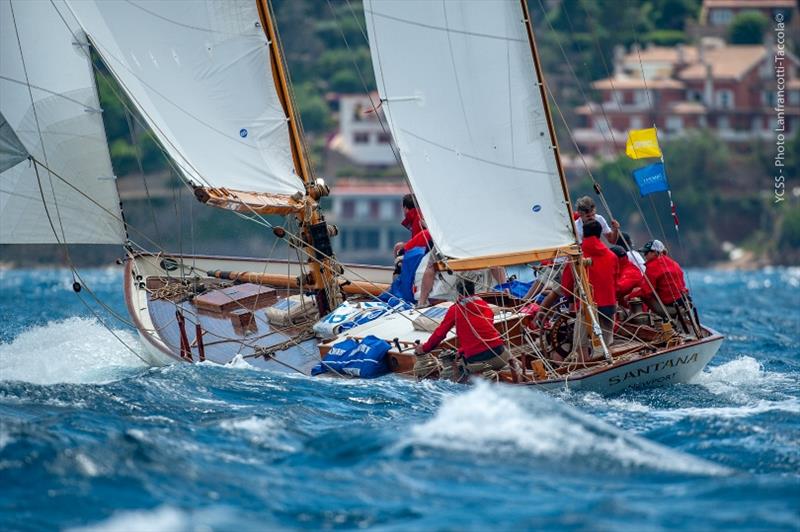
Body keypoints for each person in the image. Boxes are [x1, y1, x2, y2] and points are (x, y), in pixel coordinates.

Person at [537, 220, 618, 362]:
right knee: (607, 341)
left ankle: (586, 368)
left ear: (583, 233)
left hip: (587, 307)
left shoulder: (575, 256)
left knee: (580, 345)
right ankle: (608, 365)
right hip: (609, 305)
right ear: (600, 234)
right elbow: (615, 278)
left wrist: (570, 300)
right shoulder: (612, 256)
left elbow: (566, 284)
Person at [414, 275, 510, 380]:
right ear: (474, 290)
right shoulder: (485, 306)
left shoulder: (455, 310)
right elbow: (482, 335)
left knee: (454, 373)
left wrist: (424, 349)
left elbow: (440, 334)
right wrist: (461, 351)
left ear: (458, 292)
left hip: (477, 361)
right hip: (500, 355)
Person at [636, 240, 697, 333]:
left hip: (670, 309)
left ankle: (656, 321)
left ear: (655, 253)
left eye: (646, 252)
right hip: (684, 304)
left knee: (644, 295)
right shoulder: (674, 263)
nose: (644, 255)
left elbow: (646, 291)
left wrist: (630, 295)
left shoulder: (652, 266)